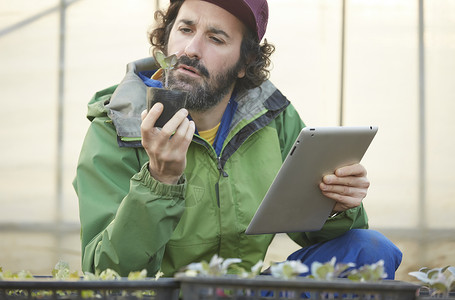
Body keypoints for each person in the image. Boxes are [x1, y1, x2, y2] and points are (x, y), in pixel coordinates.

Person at [73, 0, 402, 279]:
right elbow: (106, 274)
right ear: (166, 37)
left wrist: (337, 206)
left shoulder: (274, 117)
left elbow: (316, 232)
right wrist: (160, 180)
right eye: (185, 30)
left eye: (216, 39)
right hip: (164, 294)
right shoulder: (118, 125)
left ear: (245, 62)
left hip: (245, 290)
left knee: (371, 250)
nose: (191, 50)